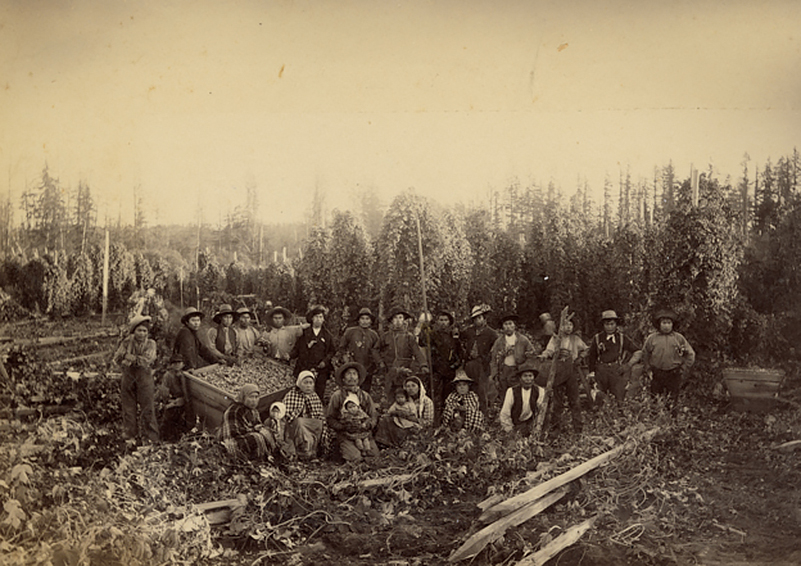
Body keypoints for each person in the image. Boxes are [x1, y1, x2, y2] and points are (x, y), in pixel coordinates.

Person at [113, 315, 159, 444]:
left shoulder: (151, 343)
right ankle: (130, 435)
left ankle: (151, 437)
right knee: (128, 407)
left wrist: (129, 357)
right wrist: (125, 357)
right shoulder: (127, 342)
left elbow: (146, 360)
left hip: (144, 377)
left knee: (147, 407)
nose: (142, 333)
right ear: (134, 331)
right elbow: (117, 358)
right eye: (139, 330)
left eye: (145, 331)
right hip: (128, 376)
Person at [539, 316, 588, 433]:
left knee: (574, 400)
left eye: (570, 325)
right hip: (559, 372)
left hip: (571, 372)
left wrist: (580, 358)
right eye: (565, 325)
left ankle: (578, 429)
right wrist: (544, 355)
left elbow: (586, 349)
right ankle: (556, 428)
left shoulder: (575, 339)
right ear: (561, 326)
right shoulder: (555, 339)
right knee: (557, 401)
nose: (568, 327)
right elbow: (549, 350)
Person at [326, 362, 380, 462]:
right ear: (343, 379)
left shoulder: (365, 396)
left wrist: (368, 425)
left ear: (358, 378)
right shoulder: (337, 396)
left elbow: (373, 415)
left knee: (373, 457)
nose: (352, 377)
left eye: (354, 374)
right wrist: (343, 426)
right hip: (346, 435)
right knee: (356, 458)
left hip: (364, 434)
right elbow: (330, 418)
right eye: (348, 374)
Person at [642, 309, 695, 408]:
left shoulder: (679, 338)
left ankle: (672, 421)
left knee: (672, 400)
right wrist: (648, 369)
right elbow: (645, 354)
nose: (666, 326)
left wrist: (683, 368)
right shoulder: (652, 338)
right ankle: (655, 420)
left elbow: (690, 354)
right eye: (664, 323)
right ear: (659, 324)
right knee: (655, 399)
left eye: (669, 323)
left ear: (672, 324)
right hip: (657, 374)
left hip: (673, 374)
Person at [587, 310, 643, 403]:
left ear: (616, 324)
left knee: (619, 398)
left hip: (616, 371)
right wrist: (592, 373)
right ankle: (602, 416)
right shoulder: (597, 338)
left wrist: (628, 365)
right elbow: (592, 356)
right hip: (601, 371)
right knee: (600, 398)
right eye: (607, 324)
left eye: (612, 324)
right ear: (603, 325)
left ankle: (618, 416)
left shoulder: (621, 338)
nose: (609, 327)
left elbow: (638, 351)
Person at [377, 308, 430, 404]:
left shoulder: (409, 336)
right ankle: (390, 414)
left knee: (406, 393)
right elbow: (375, 350)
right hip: (390, 368)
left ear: (404, 320)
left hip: (406, 369)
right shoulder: (386, 336)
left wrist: (423, 365)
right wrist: (380, 362)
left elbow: (417, 351)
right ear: (392, 321)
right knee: (391, 392)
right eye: (395, 318)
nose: (398, 321)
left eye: (400, 318)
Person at [460, 304, 499, 416]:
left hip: (482, 364)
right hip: (469, 364)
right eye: (475, 319)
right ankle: (468, 414)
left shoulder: (491, 333)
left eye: (479, 318)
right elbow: (458, 338)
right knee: (468, 389)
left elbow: (496, 348)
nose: (477, 321)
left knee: (482, 391)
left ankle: (484, 415)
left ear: (484, 318)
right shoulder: (469, 331)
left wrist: (489, 359)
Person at [374, 375, 435, 447]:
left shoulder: (426, 401)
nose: (410, 389)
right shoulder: (402, 400)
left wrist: (413, 419)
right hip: (401, 422)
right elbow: (393, 409)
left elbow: (429, 422)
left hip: (417, 426)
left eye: (413, 386)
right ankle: (385, 444)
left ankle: (401, 444)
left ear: (419, 387)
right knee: (385, 420)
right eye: (408, 386)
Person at [423, 310, 462, 423]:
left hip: (449, 370)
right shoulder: (432, 334)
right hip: (435, 370)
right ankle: (431, 420)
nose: (443, 322)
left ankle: (446, 420)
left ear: (449, 322)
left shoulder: (454, 336)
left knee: (448, 396)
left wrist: (455, 365)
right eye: (441, 320)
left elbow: (460, 353)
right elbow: (422, 342)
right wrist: (424, 328)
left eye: (446, 320)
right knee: (433, 395)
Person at [292, 305, 336, 401]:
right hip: (305, 365)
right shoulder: (305, 333)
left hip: (321, 367)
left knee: (320, 390)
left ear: (323, 319)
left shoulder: (327, 335)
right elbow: (298, 349)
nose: (318, 319)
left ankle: (317, 411)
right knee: (303, 390)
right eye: (316, 317)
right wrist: (307, 347)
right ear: (312, 318)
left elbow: (332, 351)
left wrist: (325, 361)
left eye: (320, 317)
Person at [489, 313, 536, 401]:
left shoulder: (523, 340)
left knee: (518, 396)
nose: (508, 327)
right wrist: (495, 375)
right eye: (506, 324)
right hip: (504, 371)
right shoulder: (499, 342)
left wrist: (524, 366)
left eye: (510, 324)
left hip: (517, 371)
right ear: (503, 327)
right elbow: (493, 359)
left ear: (514, 325)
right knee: (504, 395)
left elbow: (532, 354)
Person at [220, 384, 273, 461]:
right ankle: (255, 461)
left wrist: (261, 429)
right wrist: (254, 429)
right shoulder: (234, 410)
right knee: (256, 437)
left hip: (246, 435)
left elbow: (257, 424)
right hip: (233, 441)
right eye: (251, 397)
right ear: (243, 397)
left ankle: (269, 457)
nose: (254, 400)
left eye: (256, 397)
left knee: (266, 432)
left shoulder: (254, 411)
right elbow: (232, 433)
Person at [282, 371, 328, 460]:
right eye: (305, 382)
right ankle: (303, 451)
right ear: (299, 383)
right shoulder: (292, 395)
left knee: (319, 424)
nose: (308, 385)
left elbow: (320, 415)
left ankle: (313, 450)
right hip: (296, 426)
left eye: (311, 383)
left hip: (311, 425)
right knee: (300, 422)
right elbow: (286, 414)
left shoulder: (315, 397)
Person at [338, 307, 382, 394]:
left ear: (370, 321)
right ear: (358, 320)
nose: (364, 321)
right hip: (353, 365)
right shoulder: (350, 331)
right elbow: (342, 347)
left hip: (367, 366)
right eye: (362, 318)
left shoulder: (374, 335)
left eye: (367, 319)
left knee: (365, 390)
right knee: (351, 389)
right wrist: (346, 359)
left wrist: (376, 364)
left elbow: (377, 350)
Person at [155, 354, 195, 441]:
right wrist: (173, 402)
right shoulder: (168, 376)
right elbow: (164, 393)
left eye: (179, 362)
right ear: (171, 365)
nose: (177, 365)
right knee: (168, 423)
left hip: (185, 402)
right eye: (174, 363)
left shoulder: (184, 375)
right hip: (172, 402)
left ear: (183, 364)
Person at [499, 360, 544, 436]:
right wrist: (510, 430)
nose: (528, 379)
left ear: (533, 378)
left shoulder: (540, 391)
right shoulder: (511, 391)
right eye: (525, 376)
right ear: (520, 378)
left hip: (531, 422)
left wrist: (537, 427)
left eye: (530, 376)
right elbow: (505, 413)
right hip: (516, 423)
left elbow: (541, 411)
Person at [172, 307, 224, 371]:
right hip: (181, 369)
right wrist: (189, 367)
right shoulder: (185, 333)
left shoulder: (192, 333)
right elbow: (186, 351)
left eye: (198, 320)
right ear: (186, 322)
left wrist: (216, 360)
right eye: (193, 320)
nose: (196, 323)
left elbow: (202, 350)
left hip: (189, 368)